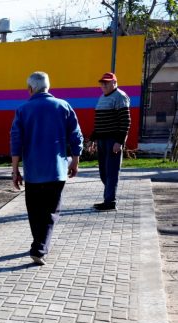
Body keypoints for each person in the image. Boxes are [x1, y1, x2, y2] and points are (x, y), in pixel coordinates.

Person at [10, 71, 83, 266]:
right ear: (48, 87)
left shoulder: (23, 110)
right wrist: (75, 160)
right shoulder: (63, 106)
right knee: (51, 212)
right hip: (56, 171)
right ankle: (40, 248)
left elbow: (16, 141)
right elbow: (76, 136)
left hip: (33, 172)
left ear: (30, 89)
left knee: (35, 211)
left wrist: (15, 170)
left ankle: (38, 244)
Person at [88, 72, 131, 211]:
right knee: (103, 172)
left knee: (111, 171)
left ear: (114, 82)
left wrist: (120, 141)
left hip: (113, 140)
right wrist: (93, 139)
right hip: (102, 140)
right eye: (102, 82)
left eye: (107, 82)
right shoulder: (102, 97)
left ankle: (110, 201)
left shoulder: (120, 96)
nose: (103, 85)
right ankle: (108, 198)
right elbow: (100, 121)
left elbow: (125, 121)